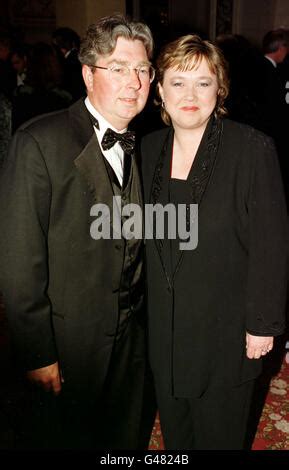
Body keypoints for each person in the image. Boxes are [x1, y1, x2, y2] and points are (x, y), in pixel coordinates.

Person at [0, 14, 155, 450]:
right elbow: (18, 263)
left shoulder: (145, 142)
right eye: (119, 68)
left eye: (143, 69)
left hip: (131, 337)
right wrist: (38, 352)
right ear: (88, 74)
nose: (134, 82)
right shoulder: (39, 143)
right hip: (69, 342)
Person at [141, 34, 288, 450]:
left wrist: (262, 323)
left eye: (203, 82)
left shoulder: (251, 149)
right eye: (178, 82)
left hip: (222, 331)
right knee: (176, 435)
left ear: (219, 88)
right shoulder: (147, 149)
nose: (190, 94)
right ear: (159, 89)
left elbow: (271, 243)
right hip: (164, 332)